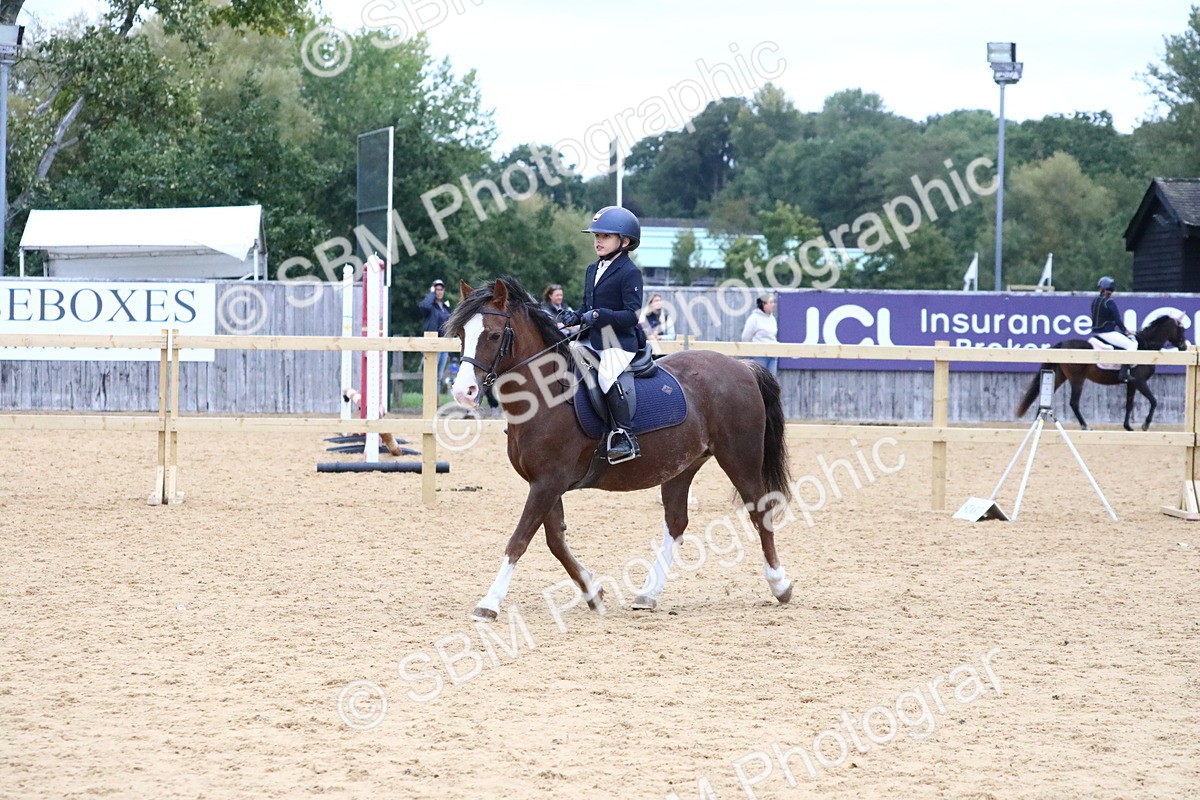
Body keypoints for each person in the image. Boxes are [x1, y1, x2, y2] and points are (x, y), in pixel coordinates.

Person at [558, 206, 644, 462]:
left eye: (605, 236)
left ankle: (624, 436)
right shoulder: (592, 269)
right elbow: (587, 307)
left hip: (619, 343)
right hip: (593, 340)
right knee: (563, 360)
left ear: (625, 241)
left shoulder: (630, 272)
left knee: (606, 377)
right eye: (597, 236)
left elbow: (632, 315)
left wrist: (599, 315)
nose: (598, 241)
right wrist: (574, 316)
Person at [1091, 276, 1137, 383]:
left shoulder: (1095, 301)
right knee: (1132, 345)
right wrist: (1126, 331)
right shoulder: (1109, 302)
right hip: (1107, 333)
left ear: (1101, 288)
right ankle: (1124, 373)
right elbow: (1117, 320)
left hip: (1097, 333)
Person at [419, 279, 452, 388]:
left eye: (441, 289)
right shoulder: (430, 306)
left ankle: (435, 404)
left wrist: (449, 350)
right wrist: (431, 293)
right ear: (433, 290)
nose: (439, 292)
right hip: (432, 344)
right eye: (436, 289)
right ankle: (428, 403)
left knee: (439, 377)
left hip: (444, 346)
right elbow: (423, 306)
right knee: (430, 376)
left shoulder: (446, 307)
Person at [741, 294, 779, 376]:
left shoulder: (772, 318)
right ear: (763, 304)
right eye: (771, 302)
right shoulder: (754, 318)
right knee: (760, 380)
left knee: (772, 381)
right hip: (759, 355)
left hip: (772, 354)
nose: (773, 305)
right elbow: (745, 337)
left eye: (774, 302)